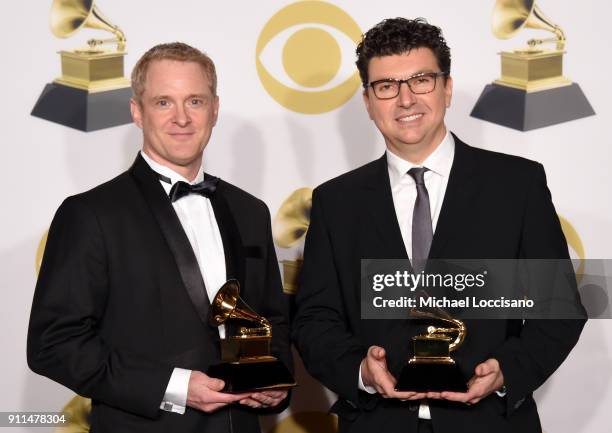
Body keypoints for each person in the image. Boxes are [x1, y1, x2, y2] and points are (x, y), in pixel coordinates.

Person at [291, 18, 585, 433]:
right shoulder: (336, 201)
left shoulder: (517, 185)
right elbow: (314, 319)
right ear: (368, 102)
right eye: (387, 86)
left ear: (447, 89)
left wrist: (506, 371)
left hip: (492, 424)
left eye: (422, 80)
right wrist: (360, 370)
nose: (406, 99)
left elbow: (559, 309)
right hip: (378, 424)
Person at [27, 42, 291, 433]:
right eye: (164, 102)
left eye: (195, 102)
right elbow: (54, 343)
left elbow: (275, 318)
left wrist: (275, 380)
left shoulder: (251, 211)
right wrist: (177, 387)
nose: (181, 118)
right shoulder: (91, 214)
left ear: (215, 109)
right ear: (137, 111)